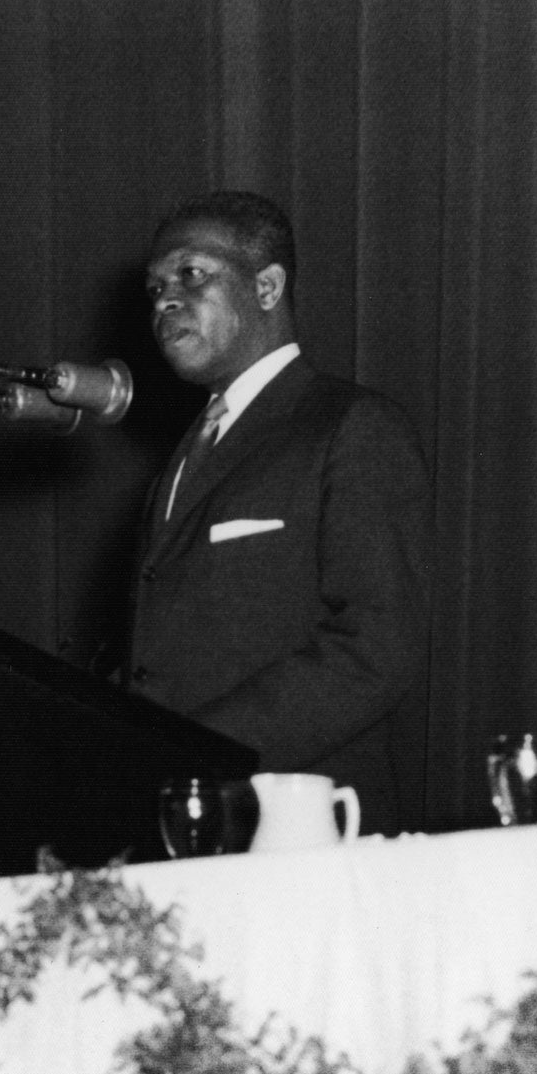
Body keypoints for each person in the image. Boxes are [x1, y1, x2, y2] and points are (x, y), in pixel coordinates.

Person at [127, 191, 432, 834]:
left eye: (191, 274)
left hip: (303, 829)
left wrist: (201, 753)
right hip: (186, 826)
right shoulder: (180, 461)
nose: (165, 301)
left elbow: (378, 644)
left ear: (267, 286)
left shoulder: (350, 425)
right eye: (154, 287)